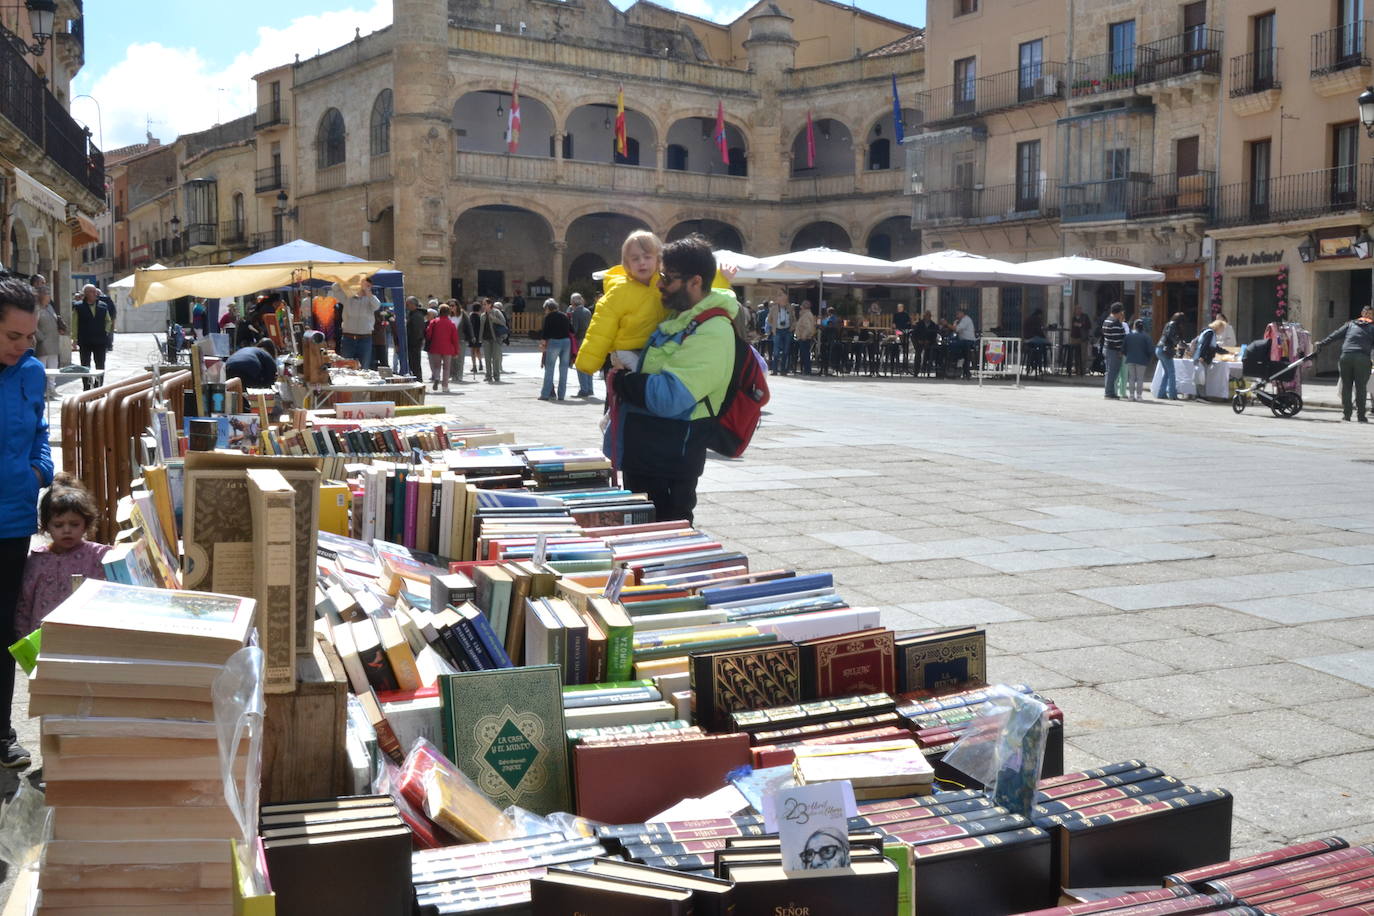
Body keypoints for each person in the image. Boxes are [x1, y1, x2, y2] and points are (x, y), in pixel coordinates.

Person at [605, 235, 736, 524]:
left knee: (664, 541)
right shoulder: (679, 319)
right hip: (650, 453)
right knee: (640, 540)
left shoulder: (712, 330)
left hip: (670, 459)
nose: (660, 283)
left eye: (670, 278)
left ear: (695, 282)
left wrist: (622, 382)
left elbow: (670, 397)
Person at [0, 276, 54, 768]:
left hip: (13, 522)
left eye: (29, 337)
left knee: (5, 632)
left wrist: (40, 469)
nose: (23, 346)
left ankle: (0, 735)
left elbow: (40, 430)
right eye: (13, 337)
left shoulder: (33, 372)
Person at [15, 474, 109, 640]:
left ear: (86, 524)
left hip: (86, 638)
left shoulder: (97, 555)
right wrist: (24, 637)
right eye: (58, 525)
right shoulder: (37, 559)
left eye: (74, 524)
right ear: (46, 526)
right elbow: (25, 602)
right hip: (42, 640)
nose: (67, 530)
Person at [574, 230, 667, 377]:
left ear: (658, 260)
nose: (642, 262)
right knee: (643, 381)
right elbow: (601, 328)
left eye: (647, 257)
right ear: (627, 263)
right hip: (629, 350)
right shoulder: (619, 291)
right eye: (635, 259)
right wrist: (587, 362)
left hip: (661, 347)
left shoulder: (667, 284)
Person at [1318, 304, 1374, 422]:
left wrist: (1321, 344)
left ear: (1361, 314)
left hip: (1346, 356)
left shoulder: (1350, 324)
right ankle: (1361, 416)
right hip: (1362, 358)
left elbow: (1335, 335)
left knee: (1346, 387)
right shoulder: (1372, 327)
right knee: (1361, 388)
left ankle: (1346, 415)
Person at [330, 277, 379, 368]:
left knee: (364, 368)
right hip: (348, 339)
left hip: (365, 339)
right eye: (364, 285)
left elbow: (377, 305)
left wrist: (368, 292)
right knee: (346, 368)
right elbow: (334, 288)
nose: (366, 288)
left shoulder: (371, 300)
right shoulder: (348, 298)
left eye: (369, 286)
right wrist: (348, 280)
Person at [71, 283, 112, 390]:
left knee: (100, 364)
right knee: (85, 365)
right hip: (85, 340)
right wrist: (74, 339)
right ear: (86, 294)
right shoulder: (78, 306)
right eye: (92, 291)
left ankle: (99, 387)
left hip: (100, 340)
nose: (95, 293)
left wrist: (105, 331)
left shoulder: (103, 305)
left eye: (95, 291)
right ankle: (87, 386)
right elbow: (74, 323)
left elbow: (108, 321)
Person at [31, 277, 62, 396]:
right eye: (47, 294)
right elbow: (34, 325)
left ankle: (51, 389)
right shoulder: (36, 308)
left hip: (53, 341)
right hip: (43, 343)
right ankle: (42, 390)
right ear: (41, 296)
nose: (49, 296)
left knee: (53, 367)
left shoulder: (50, 307)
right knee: (42, 368)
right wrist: (41, 338)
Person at [538, 297, 573, 401]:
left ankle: (545, 394)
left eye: (545, 309)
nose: (545, 311)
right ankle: (561, 395)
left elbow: (545, 333)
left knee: (549, 369)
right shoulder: (564, 315)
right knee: (564, 369)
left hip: (554, 342)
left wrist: (543, 345)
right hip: (566, 342)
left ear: (548, 308)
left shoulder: (549, 317)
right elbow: (572, 330)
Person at [425, 304, 461, 392]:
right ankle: (445, 386)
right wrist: (456, 351)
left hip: (435, 347)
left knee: (437, 366)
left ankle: (437, 377)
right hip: (447, 348)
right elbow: (455, 339)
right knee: (446, 368)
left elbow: (428, 335)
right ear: (448, 313)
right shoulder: (451, 324)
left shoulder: (433, 322)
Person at [568, 292, 594, 397]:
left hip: (579, 340)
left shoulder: (575, 313)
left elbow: (575, 329)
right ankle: (590, 388)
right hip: (589, 339)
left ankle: (584, 389)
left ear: (572, 302)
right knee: (588, 364)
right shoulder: (587, 311)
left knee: (580, 365)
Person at [1156, 311, 1185, 400]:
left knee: (1167, 373)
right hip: (1166, 350)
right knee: (1171, 373)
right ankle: (1172, 394)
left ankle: (1161, 393)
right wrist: (1178, 343)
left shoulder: (1168, 324)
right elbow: (1171, 337)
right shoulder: (1173, 325)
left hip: (1160, 348)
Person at [1123, 318, 1153, 402]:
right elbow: (1150, 350)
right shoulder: (1147, 337)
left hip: (1130, 359)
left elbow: (1123, 348)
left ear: (1134, 326)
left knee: (1131, 378)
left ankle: (1131, 396)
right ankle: (1139, 396)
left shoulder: (1129, 336)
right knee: (1140, 378)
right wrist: (1148, 358)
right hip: (1142, 360)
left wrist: (1128, 355)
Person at [1100, 303, 1126, 399]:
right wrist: (1120, 350)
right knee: (1112, 372)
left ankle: (1109, 392)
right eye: (1121, 312)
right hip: (1114, 350)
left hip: (1107, 348)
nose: (1122, 314)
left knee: (1109, 372)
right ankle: (1109, 393)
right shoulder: (1115, 322)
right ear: (1118, 312)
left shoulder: (1107, 320)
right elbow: (1117, 339)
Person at [478, 297, 507, 382]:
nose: (483, 306)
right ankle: (488, 376)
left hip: (496, 338)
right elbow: (481, 328)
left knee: (496, 358)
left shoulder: (497, 312)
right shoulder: (482, 315)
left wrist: (494, 319)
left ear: (490, 304)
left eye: (485, 304)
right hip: (486, 339)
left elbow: (503, 323)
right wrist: (480, 339)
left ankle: (496, 376)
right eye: (483, 304)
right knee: (487, 358)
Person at [404, 296, 426, 383]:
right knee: (413, 365)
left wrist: (412, 342)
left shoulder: (416, 315)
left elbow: (417, 331)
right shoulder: (413, 314)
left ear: (413, 305)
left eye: (408, 304)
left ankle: (419, 382)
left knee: (415, 365)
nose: (406, 306)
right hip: (413, 344)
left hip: (414, 344)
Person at [768, 299, 793, 375]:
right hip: (777, 330)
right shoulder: (774, 308)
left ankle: (783, 370)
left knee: (786, 351)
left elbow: (794, 319)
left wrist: (792, 327)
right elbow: (769, 319)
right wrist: (774, 327)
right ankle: (775, 370)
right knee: (776, 351)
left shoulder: (790, 308)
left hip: (787, 330)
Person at [952, 308, 977, 377]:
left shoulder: (966, 320)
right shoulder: (958, 321)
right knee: (953, 344)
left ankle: (957, 363)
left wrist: (947, 324)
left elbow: (956, 329)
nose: (957, 316)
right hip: (963, 341)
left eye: (958, 314)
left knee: (953, 346)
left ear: (962, 313)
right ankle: (958, 362)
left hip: (968, 341)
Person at [372, 304, 396, 371]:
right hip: (374, 340)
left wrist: (388, 315)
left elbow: (392, 318)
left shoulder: (383, 313)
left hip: (381, 341)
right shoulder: (374, 313)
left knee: (383, 362)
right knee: (374, 362)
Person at [794, 302, 817, 375]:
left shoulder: (806, 315)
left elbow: (808, 327)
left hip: (804, 338)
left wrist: (804, 335)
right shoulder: (806, 314)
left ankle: (807, 371)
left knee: (805, 355)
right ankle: (806, 370)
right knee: (804, 355)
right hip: (804, 337)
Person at [1069, 305, 1091, 375]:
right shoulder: (1073, 317)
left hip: (1083, 338)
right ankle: (1077, 369)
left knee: (1083, 355)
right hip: (1074, 338)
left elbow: (1089, 326)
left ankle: (1083, 370)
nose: (1078, 311)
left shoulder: (1085, 316)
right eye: (1077, 309)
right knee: (1076, 355)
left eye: (1079, 309)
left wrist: (1080, 325)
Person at [464, 301, 484, 377]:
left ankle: (474, 366)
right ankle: (480, 362)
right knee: (478, 350)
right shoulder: (480, 316)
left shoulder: (471, 316)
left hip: (472, 336)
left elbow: (470, 327)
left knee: (472, 351)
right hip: (478, 336)